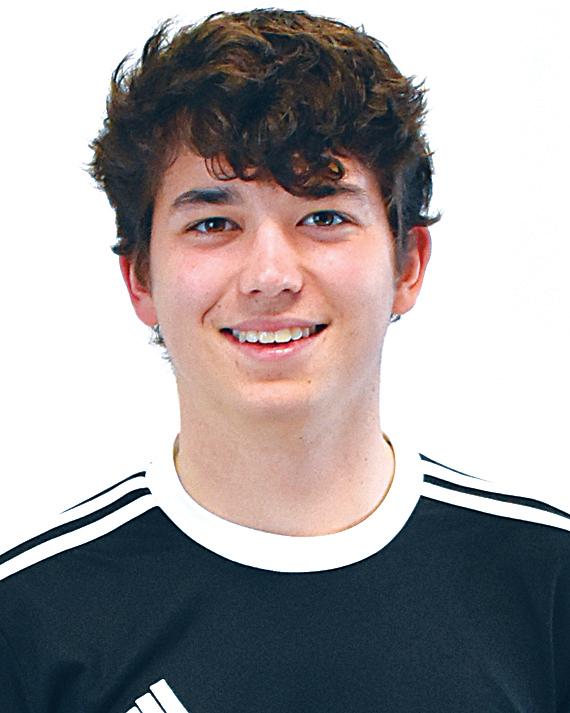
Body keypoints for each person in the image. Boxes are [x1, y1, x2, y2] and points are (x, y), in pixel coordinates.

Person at [0, 8, 568, 713]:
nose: (270, 275)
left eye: (324, 216)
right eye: (213, 223)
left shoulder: (546, 585)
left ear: (408, 264)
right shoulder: (28, 621)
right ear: (140, 278)